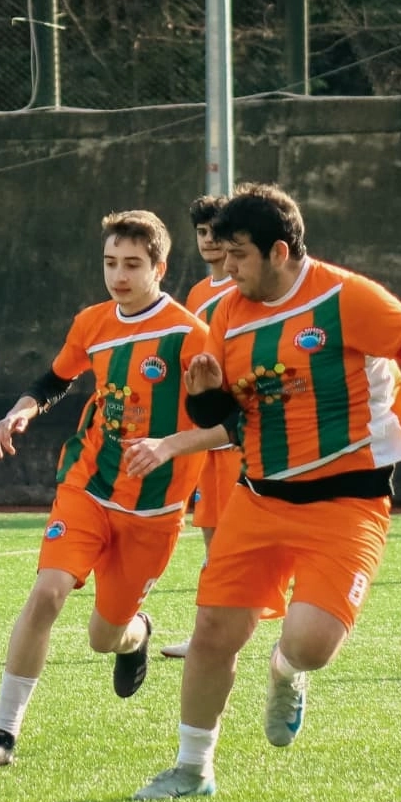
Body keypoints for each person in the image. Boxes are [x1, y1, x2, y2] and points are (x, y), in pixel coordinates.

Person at [132, 183, 401, 800]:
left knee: (312, 645)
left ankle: (287, 670)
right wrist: (204, 393)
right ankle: (192, 769)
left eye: (238, 255)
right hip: (259, 497)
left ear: (280, 251)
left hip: (349, 504)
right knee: (213, 631)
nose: (227, 268)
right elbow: (224, 417)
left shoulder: (348, 298)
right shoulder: (227, 314)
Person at [0, 210, 228, 769]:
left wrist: (168, 445)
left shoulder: (190, 336)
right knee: (47, 593)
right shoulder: (92, 322)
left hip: (153, 508)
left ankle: (137, 633)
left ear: (159, 268)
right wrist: (22, 410)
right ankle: (3, 736)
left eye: (132, 264)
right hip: (87, 484)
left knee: (104, 637)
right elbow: (56, 379)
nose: (118, 276)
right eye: (110, 263)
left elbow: (228, 425)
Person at [161, 194, 248, 661]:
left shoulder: (244, 288)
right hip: (208, 437)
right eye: (201, 232)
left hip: (237, 434)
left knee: (247, 540)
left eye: (217, 230)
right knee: (212, 535)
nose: (210, 240)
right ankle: (208, 633)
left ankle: (285, 629)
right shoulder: (196, 294)